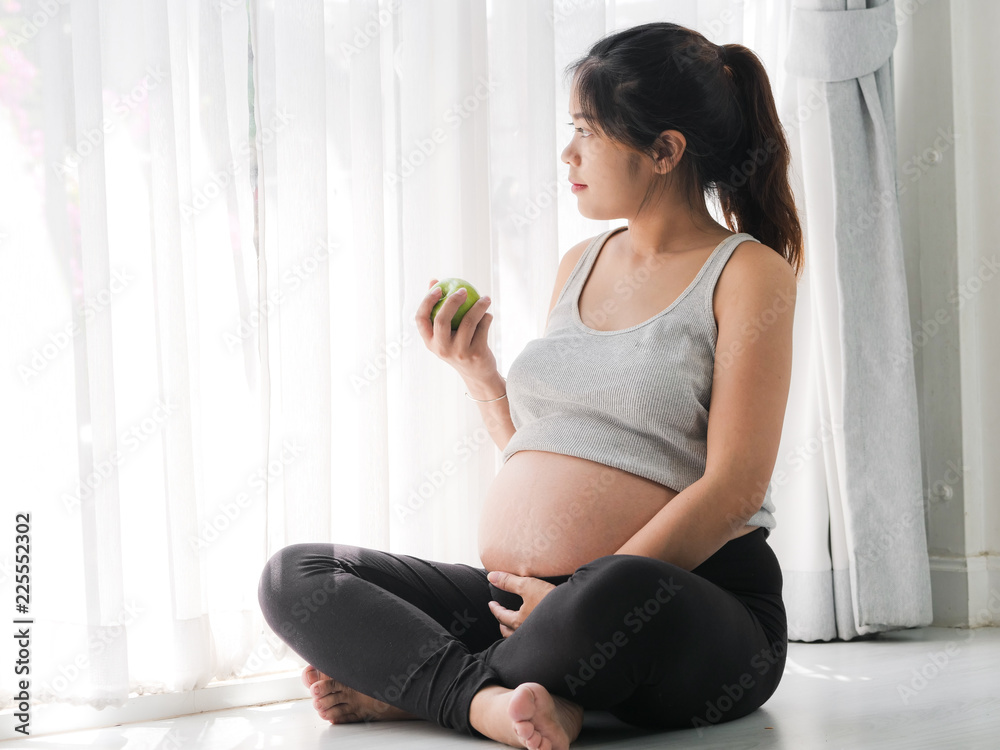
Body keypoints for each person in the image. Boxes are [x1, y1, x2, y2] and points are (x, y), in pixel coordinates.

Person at [257, 21, 802, 750]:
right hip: (531, 604)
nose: (567, 153)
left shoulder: (746, 272)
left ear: (665, 150)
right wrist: (479, 376)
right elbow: (556, 452)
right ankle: (500, 699)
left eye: (588, 131)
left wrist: (575, 597)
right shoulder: (580, 262)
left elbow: (735, 485)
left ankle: (428, 690)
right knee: (296, 574)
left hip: (684, 603)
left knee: (611, 593)